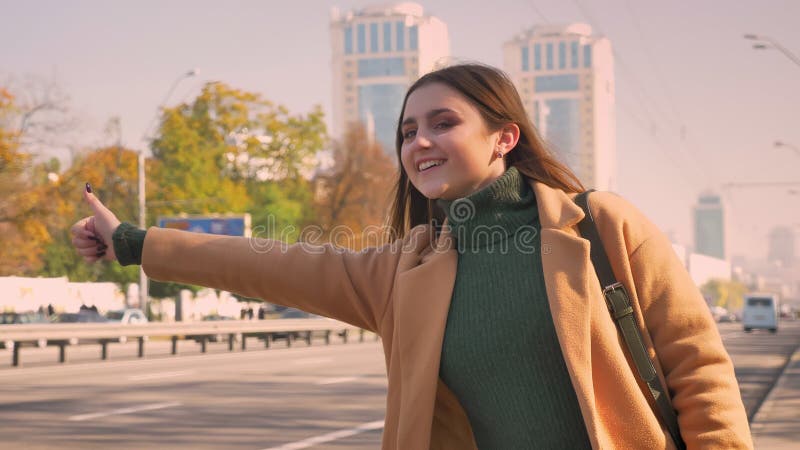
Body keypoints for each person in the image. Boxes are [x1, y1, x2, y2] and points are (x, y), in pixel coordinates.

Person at [71, 63, 752, 449]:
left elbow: (698, 367)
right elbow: (268, 262)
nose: (419, 143)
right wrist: (134, 243)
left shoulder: (598, 225)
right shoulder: (406, 269)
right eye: (407, 131)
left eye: (443, 123)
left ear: (504, 136)